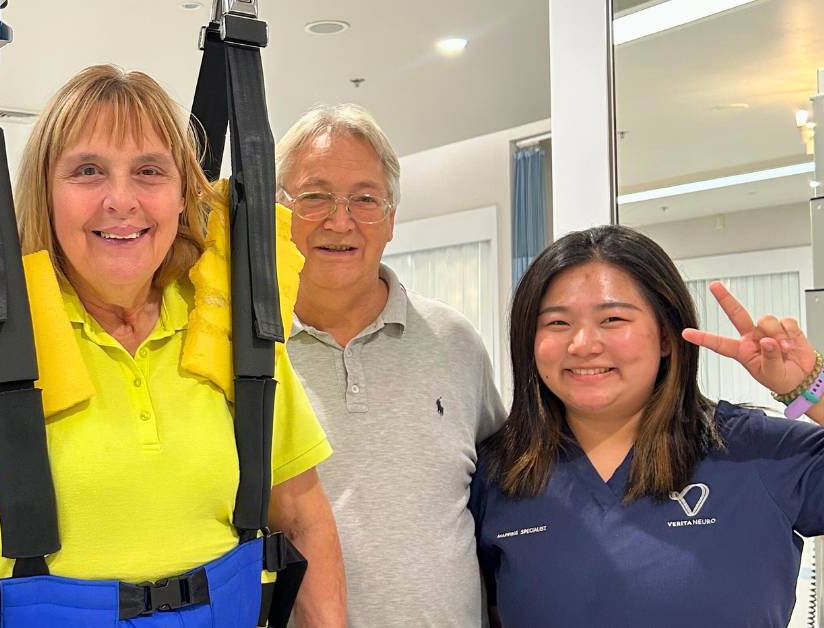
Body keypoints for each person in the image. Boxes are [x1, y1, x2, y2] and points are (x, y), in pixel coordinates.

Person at [0, 65, 345, 627]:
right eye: (88, 171)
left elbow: (302, 517)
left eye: (149, 171)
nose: (120, 200)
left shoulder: (231, 325)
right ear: (46, 194)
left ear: (181, 195)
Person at [471, 225, 824, 627]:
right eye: (556, 323)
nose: (583, 343)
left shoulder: (755, 452)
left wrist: (811, 387)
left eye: (613, 318)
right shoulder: (500, 473)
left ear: (667, 337)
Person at [276, 103, 504, 626]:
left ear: (391, 219)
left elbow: (504, 493)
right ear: (276, 212)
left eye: (365, 199)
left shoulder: (455, 342)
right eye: (315, 197)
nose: (341, 220)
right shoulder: (241, 352)